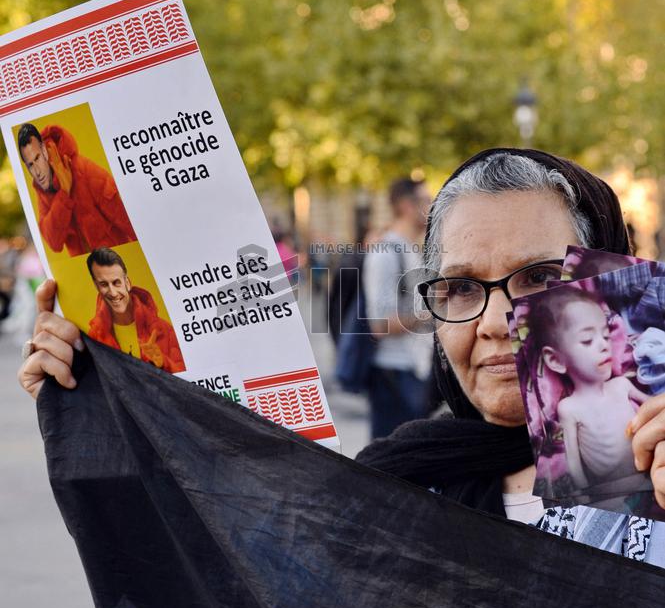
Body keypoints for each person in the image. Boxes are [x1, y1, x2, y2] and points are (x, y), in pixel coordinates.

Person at [17, 148, 665, 535]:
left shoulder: (654, 475)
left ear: (611, 280)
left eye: (537, 279)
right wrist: (101, 402)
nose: (494, 320)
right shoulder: (393, 488)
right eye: (461, 289)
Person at [534, 287, 652, 505]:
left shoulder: (621, 385)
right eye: (587, 340)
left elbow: (654, 407)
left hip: (650, 476)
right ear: (556, 360)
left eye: (606, 336)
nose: (603, 345)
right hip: (611, 492)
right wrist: (585, 494)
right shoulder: (569, 407)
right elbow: (573, 460)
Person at [362, 177, 434, 438]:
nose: (431, 206)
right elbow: (379, 325)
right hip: (393, 376)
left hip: (415, 369)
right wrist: (431, 313)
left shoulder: (411, 250)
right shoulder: (385, 254)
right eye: (426, 200)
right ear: (406, 205)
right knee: (390, 468)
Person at [17, 122, 136, 256]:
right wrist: (64, 193)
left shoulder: (86, 171)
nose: (37, 171)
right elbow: (53, 243)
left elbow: (129, 222)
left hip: (118, 262)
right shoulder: (44, 191)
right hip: (86, 272)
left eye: (37, 158)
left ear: (44, 150)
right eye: (30, 165)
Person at [86, 247, 185, 373]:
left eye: (116, 283)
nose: (113, 293)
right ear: (96, 286)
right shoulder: (94, 337)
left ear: (127, 283)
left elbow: (190, 383)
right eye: (104, 284)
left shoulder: (164, 329)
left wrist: (162, 363)